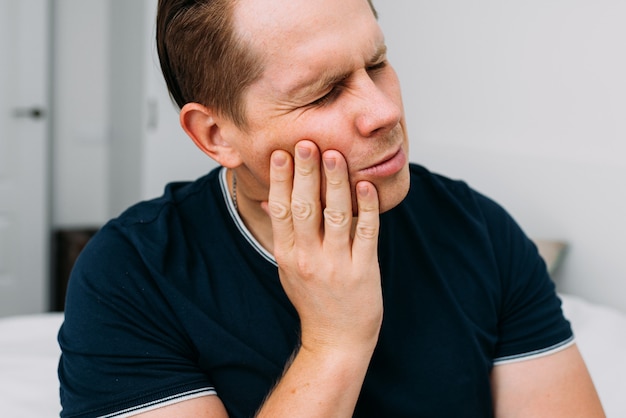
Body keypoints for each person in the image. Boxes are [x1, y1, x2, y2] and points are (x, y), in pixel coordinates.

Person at [57, 0, 605, 416]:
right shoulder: (130, 275)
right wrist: (335, 341)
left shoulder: (478, 230)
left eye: (378, 62)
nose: (384, 111)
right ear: (217, 134)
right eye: (323, 93)